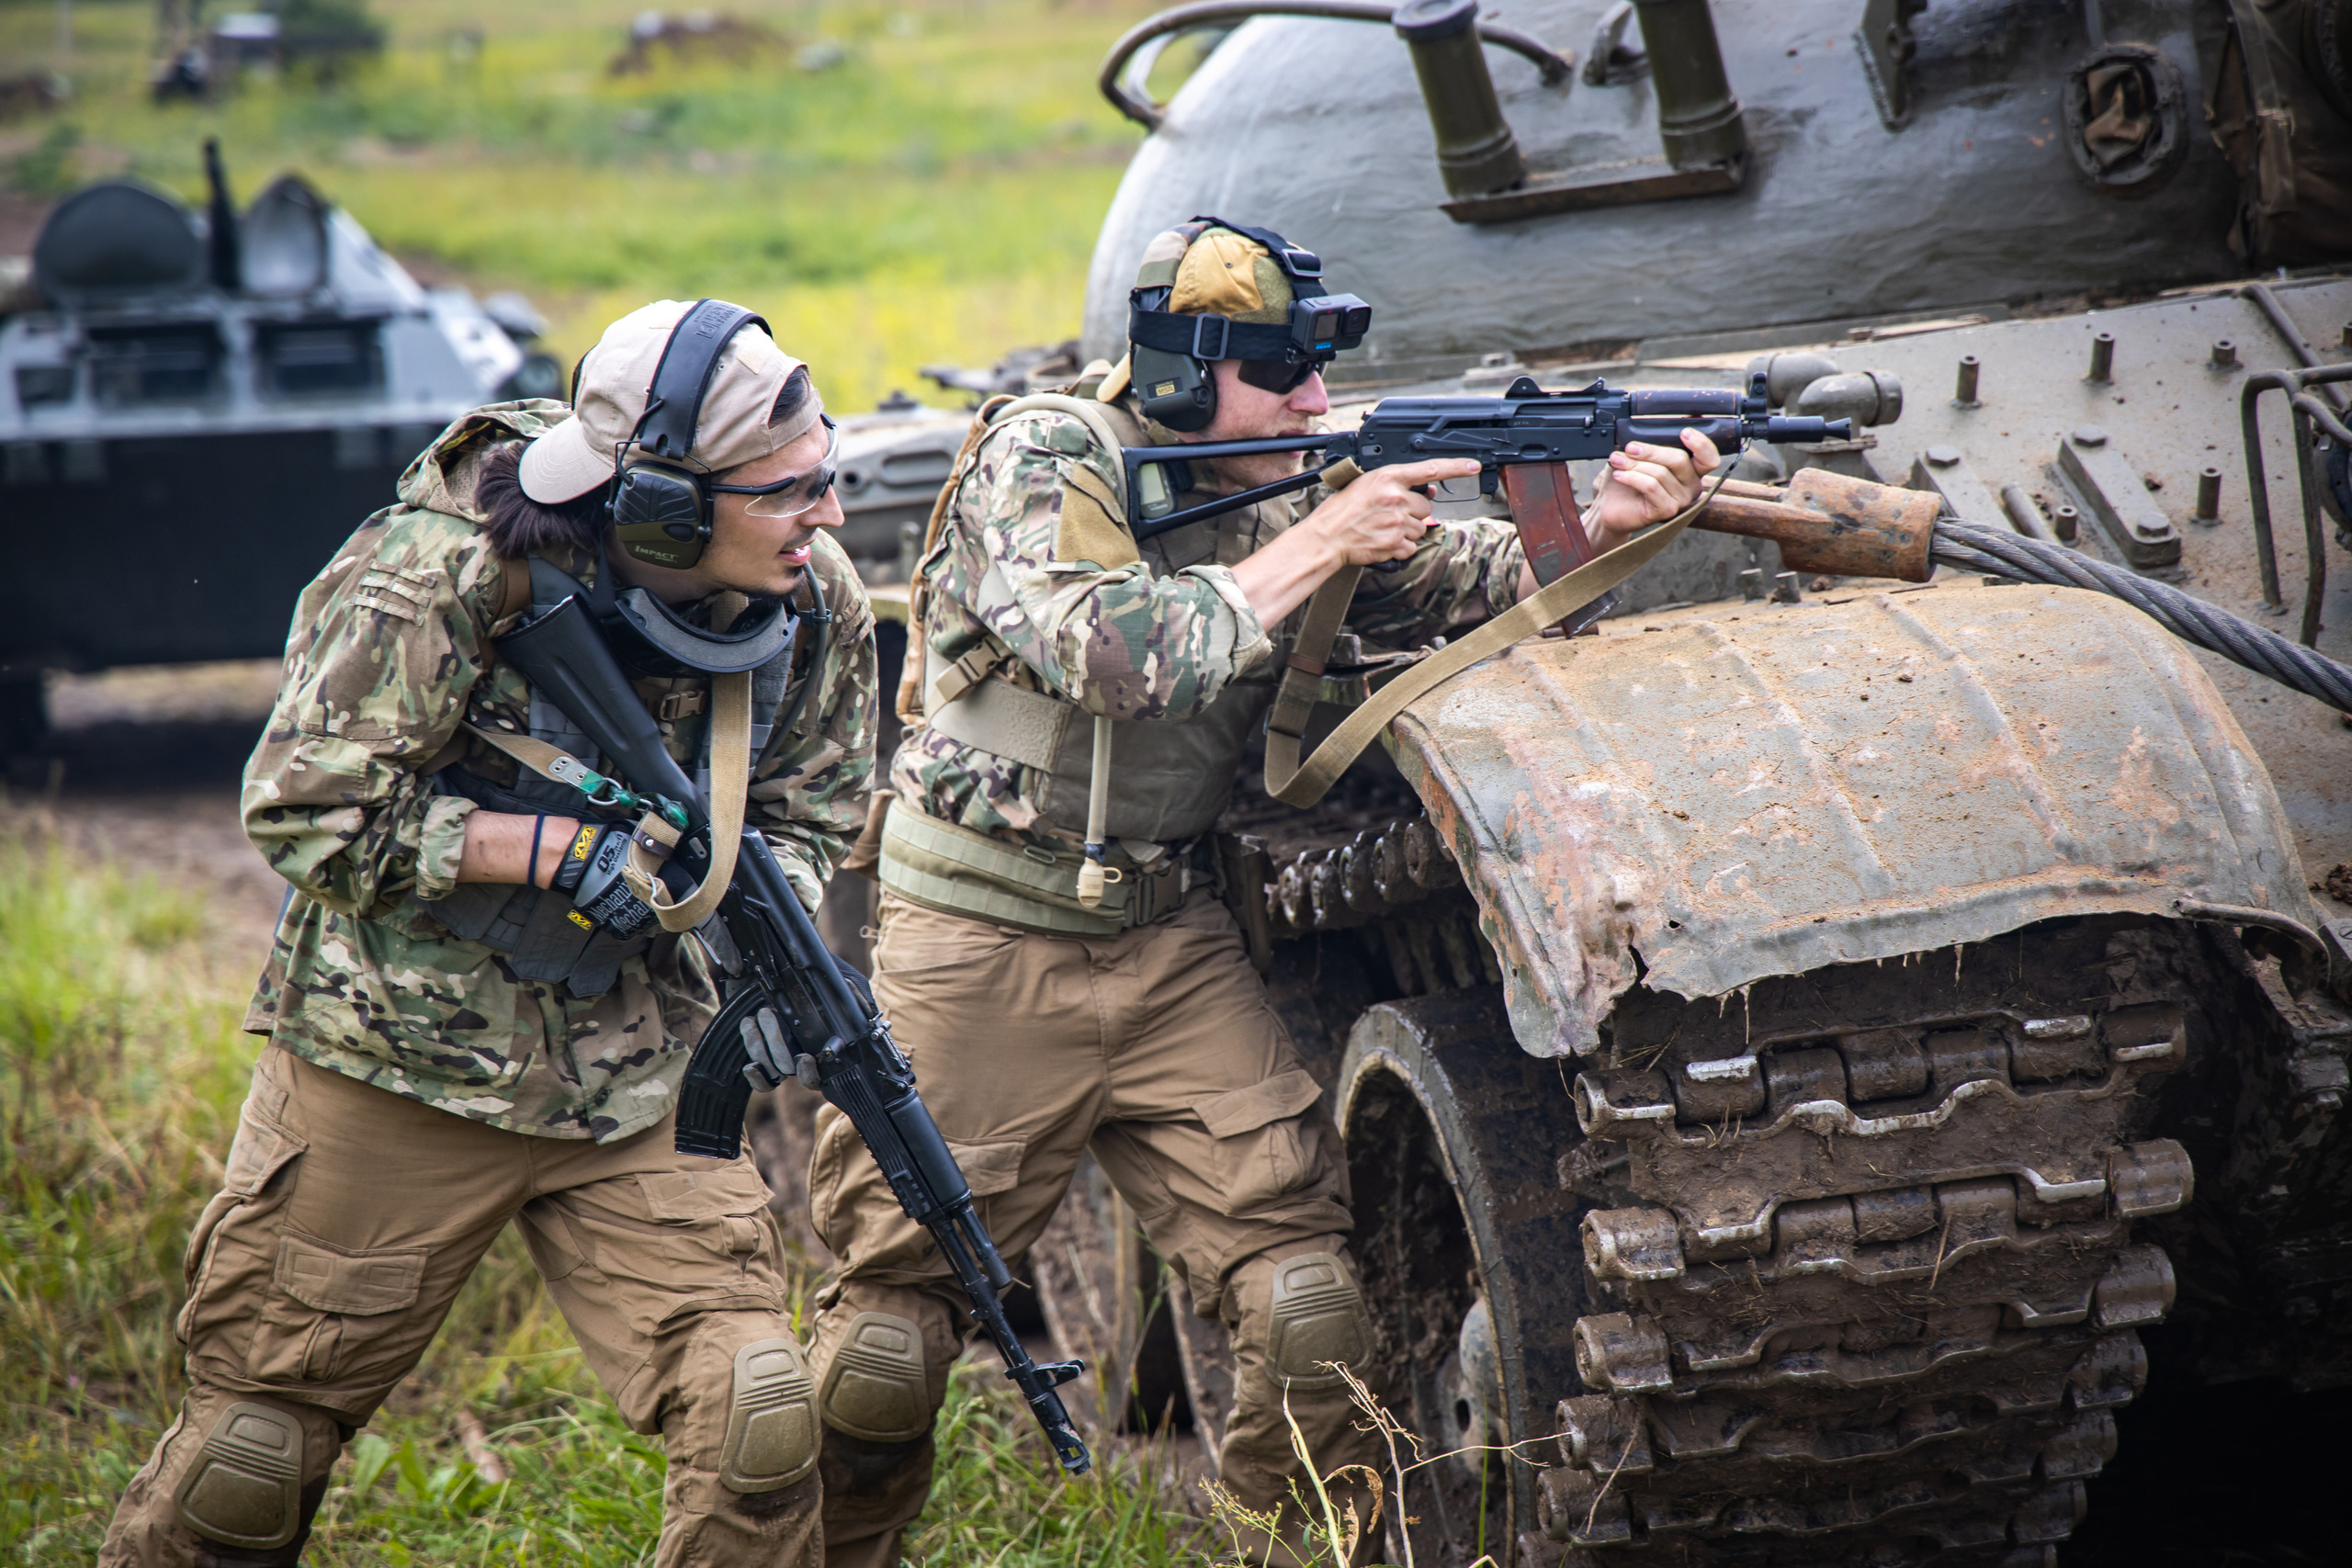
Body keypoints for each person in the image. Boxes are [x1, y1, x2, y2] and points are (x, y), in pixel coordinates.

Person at [810, 220, 1716, 1566]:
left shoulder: (1293, 482)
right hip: (982, 934)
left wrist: (1599, 536)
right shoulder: (1049, 454)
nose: (1314, 401)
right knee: (885, 1351)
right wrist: (1326, 532)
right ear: (1181, 378)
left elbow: (1450, 588)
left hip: (1165, 937)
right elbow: (1111, 653)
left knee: (1310, 1313)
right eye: (1282, 373)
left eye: (1317, 371)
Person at [101, 299, 876, 1568]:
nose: (830, 515)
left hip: (640, 1084)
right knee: (249, 1466)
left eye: (826, 473)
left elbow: (814, 806)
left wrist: (744, 903)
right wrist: (546, 853)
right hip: (394, 1071)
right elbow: (303, 810)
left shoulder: (811, 597)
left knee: (760, 1419)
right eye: (790, 491)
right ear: (667, 510)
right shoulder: (440, 569)